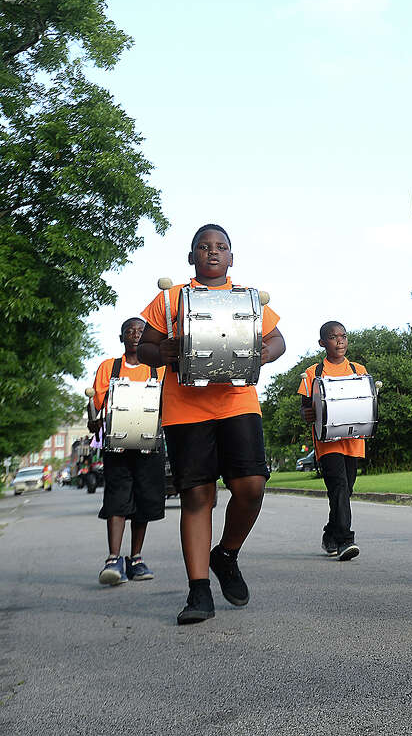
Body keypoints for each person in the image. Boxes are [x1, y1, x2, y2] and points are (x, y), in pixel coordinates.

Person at [138, 223, 287, 625]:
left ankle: (226, 554)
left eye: (221, 246)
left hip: (238, 401)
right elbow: (145, 347)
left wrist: (262, 354)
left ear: (231, 257)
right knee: (197, 497)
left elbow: (278, 341)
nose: (213, 252)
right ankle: (198, 590)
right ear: (192, 257)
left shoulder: (248, 298)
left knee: (251, 486)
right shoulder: (170, 300)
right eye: (204, 247)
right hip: (186, 408)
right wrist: (162, 350)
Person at [89, 317, 167, 586]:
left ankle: (136, 558)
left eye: (140, 331)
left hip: (149, 444)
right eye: (129, 331)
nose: (134, 335)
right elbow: (96, 405)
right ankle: (113, 559)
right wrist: (93, 419)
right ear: (121, 337)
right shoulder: (108, 368)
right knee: (117, 498)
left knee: (144, 500)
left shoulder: (159, 369)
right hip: (117, 444)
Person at [297, 321, 366, 562]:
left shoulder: (358, 370)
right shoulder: (313, 373)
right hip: (327, 443)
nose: (340, 341)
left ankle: (330, 533)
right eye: (333, 337)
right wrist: (306, 414)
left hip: (354, 441)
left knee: (346, 490)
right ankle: (346, 540)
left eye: (343, 336)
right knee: (339, 487)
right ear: (322, 343)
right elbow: (305, 408)